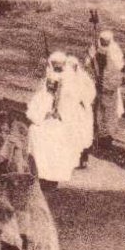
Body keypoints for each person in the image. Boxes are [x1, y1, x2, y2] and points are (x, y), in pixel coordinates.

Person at [26, 53, 79, 185]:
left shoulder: (70, 85)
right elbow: (36, 106)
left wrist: (61, 115)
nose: (57, 71)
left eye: (60, 68)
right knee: (35, 132)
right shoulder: (46, 83)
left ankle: (52, 177)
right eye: (55, 68)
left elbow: (72, 108)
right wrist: (43, 114)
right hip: (44, 121)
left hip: (61, 123)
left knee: (56, 136)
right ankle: (41, 174)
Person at [88, 30, 125, 149]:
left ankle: (106, 136)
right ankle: (101, 135)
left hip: (108, 86)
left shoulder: (114, 52)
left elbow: (117, 68)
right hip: (103, 86)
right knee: (101, 112)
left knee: (106, 112)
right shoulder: (97, 50)